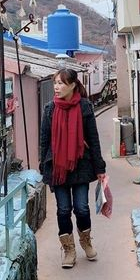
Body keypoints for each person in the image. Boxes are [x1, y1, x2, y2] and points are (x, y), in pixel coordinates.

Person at [39, 68, 106, 269]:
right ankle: (68, 249)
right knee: (63, 209)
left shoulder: (85, 107)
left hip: (80, 165)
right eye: (55, 83)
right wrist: (43, 166)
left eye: (61, 83)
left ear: (73, 85)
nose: (56, 87)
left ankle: (86, 242)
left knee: (82, 207)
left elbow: (93, 139)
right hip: (58, 167)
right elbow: (44, 141)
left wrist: (100, 167)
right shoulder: (50, 109)